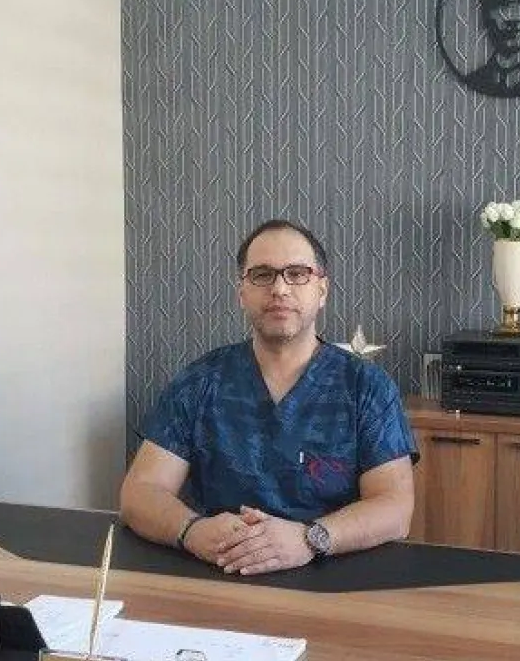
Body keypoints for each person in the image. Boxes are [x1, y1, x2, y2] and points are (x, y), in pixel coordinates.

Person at [119, 219, 417, 576]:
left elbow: (395, 507)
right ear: (242, 293)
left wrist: (310, 538)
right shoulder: (199, 382)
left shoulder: (366, 387)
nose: (279, 288)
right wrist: (192, 531)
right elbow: (140, 492)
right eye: (262, 275)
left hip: (333, 577)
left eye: (297, 274)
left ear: (322, 290)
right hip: (221, 569)